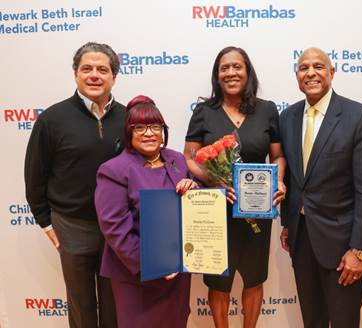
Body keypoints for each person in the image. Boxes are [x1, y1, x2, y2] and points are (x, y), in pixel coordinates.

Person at [279, 47, 362, 328]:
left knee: (343, 322)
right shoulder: (287, 118)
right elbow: (291, 177)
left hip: (343, 248)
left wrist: (360, 250)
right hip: (301, 242)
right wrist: (287, 223)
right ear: (297, 75)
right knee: (311, 320)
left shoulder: (359, 116)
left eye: (318, 66)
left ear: (331, 72)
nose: (310, 73)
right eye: (303, 68)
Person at [184, 46, 286, 328]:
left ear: (247, 71)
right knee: (219, 282)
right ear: (217, 76)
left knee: (254, 279)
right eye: (224, 68)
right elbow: (189, 157)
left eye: (237, 67)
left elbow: (277, 156)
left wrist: (277, 181)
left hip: (257, 209)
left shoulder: (267, 110)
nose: (231, 73)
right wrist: (213, 180)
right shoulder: (205, 111)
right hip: (216, 210)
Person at [24, 42, 124, 328]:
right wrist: (46, 223)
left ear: (113, 77)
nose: (94, 75)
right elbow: (35, 176)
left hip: (116, 229)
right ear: (75, 74)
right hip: (71, 227)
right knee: (81, 308)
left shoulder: (129, 118)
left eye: (102, 69)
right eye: (87, 69)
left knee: (114, 307)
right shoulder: (52, 119)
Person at [94, 95, 197, 328]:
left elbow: (191, 203)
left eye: (155, 126)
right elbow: (114, 227)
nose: (149, 133)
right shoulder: (113, 170)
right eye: (139, 127)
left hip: (176, 275)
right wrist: (153, 264)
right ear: (129, 132)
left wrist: (194, 187)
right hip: (136, 274)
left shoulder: (177, 160)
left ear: (163, 130)